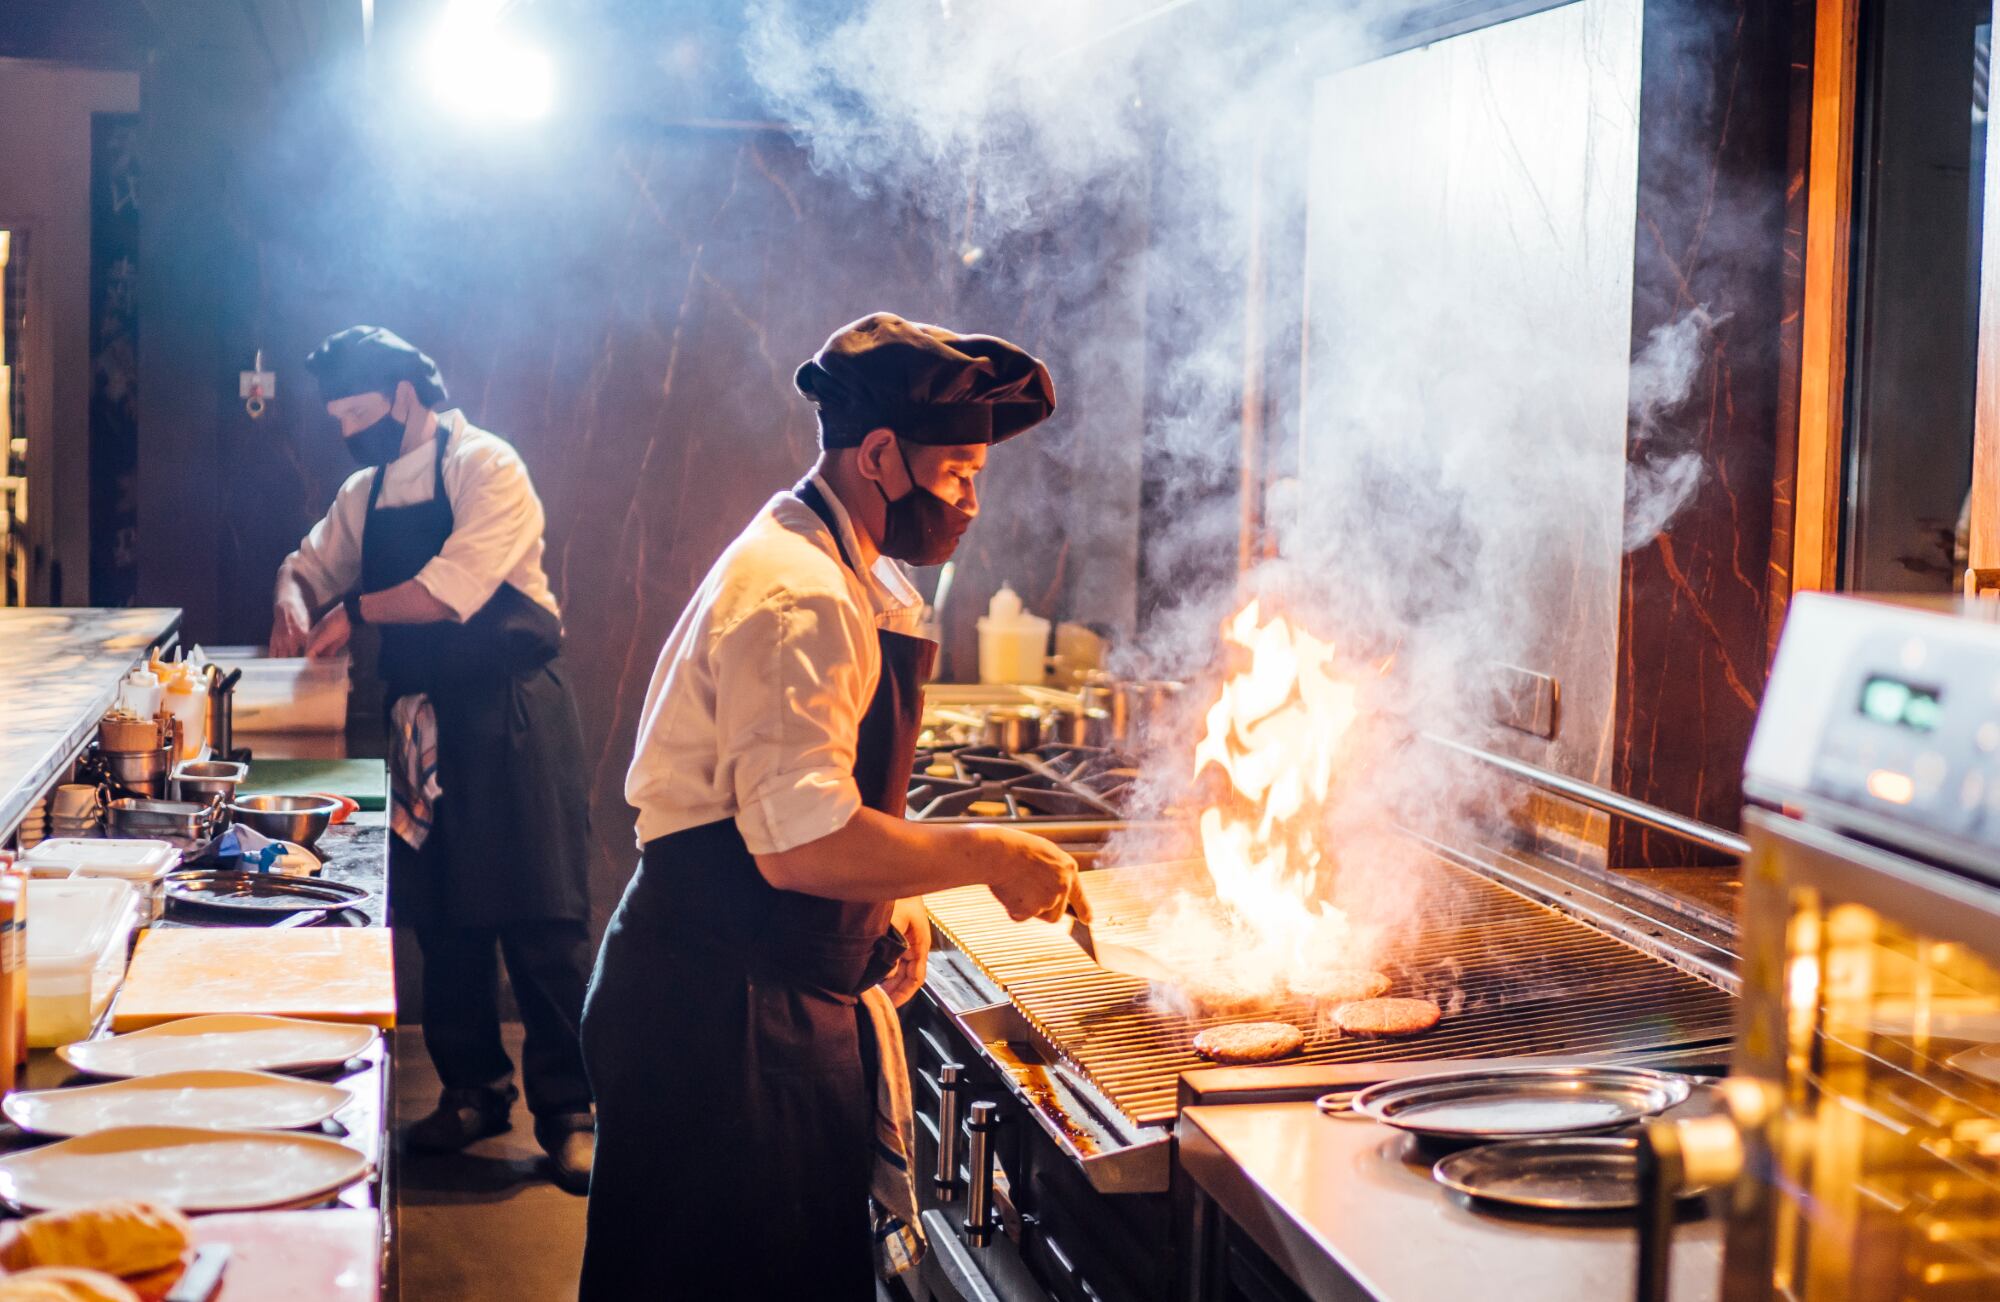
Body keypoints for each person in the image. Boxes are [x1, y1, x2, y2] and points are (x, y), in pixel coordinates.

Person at [579, 313, 1090, 1299]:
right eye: (955, 476)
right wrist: (985, 855)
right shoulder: (798, 592)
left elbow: (799, 798)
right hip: (721, 1016)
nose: (970, 503)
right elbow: (798, 847)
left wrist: (887, 897)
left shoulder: (838, 563)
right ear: (880, 457)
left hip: (752, 992)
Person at [272, 326, 595, 1193]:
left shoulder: (488, 467)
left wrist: (360, 613)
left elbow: (453, 589)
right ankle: (472, 1093)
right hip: (421, 717)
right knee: (446, 913)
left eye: (356, 411)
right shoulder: (364, 489)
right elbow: (307, 564)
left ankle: (572, 1110)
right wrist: (296, 600)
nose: (347, 431)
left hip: (511, 710)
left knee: (542, 916)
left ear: (404, 393)